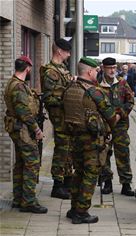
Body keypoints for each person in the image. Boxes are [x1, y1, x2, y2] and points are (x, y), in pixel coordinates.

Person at [64, 57, 120, 224]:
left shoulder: (70, 89)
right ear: (89, 72)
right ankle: (82, 212)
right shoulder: (94, 92)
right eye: (96, 71)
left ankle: (74, 208)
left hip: (74, 138)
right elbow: (111, 117)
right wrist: (117, 116)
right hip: (91, 140)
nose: (98, 73)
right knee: (90, 174)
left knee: (78, 172)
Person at [3, 56, 47, 213]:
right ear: (27, 68)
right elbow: (23, 111)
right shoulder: (18, 87)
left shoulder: (13, 83)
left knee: (21, 163)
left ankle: (18, 197)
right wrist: (36, 129)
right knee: (32, 162)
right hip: (22, 129)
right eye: (30, 69)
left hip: (17, 127)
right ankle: (28, 201)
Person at [40, 38, 73, 199]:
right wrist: (67, 97)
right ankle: (57, 185)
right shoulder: (50, 72)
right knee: (61, 149)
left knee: (68, 149)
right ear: (59, 51)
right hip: (59, 116)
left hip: (67, 115)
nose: (69, 54)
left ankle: (67, 181)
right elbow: (48, 98)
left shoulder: (62, 69)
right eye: (67, 51)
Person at [98, 57, 135, 196]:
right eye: (109, 68)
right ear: (103, 68)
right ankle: (107, 182)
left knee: (123, 153)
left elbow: (130, 101)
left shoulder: (122, 83)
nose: (112, 70)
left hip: (120, 125)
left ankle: (126, 183)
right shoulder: (98, 84)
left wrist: (121, 115)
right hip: (104, 125)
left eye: (114, 67)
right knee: (104, 153)